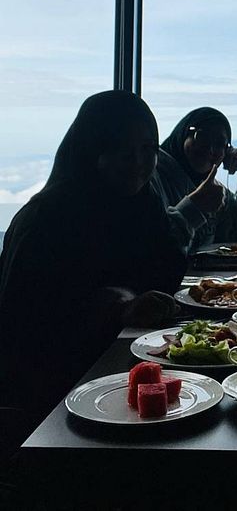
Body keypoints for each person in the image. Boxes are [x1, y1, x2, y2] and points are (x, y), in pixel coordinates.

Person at [0, 91, 185, 427]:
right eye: (123, 151)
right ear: (92, 151)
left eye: (147, 150)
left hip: (121, 376)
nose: (139, 163)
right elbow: (25, 326)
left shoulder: (142, 206)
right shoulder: (45, 220)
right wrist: (118, 306)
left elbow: (167, 268)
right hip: (51, 402)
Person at [153, 107, 237, 255]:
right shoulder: (152, 178)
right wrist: (193, 207)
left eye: (220, 144)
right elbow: (150, 247)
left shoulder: (212, 191)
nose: (210, 149)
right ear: (183, 134)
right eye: (201, 137)